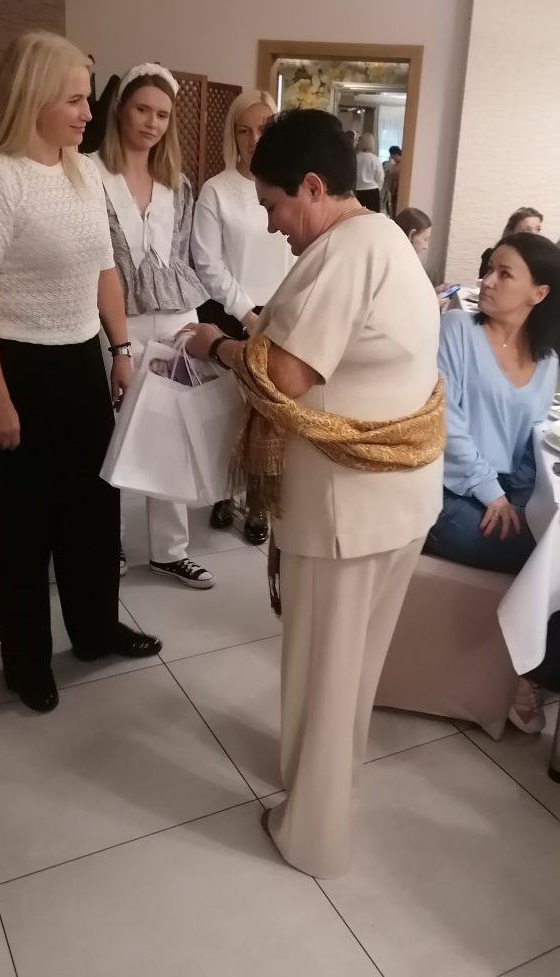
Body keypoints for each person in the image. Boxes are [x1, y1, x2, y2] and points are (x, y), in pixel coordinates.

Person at [185, 109, 444, 878]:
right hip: (396, 498)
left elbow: (284, 375)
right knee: (351, 666)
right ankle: (324, 775)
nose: (271, 224)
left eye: (273, 205)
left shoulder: (345, 249)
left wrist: (216, 344)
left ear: (310, 186)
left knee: (326, 670)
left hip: (346, 508)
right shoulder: (386, 237)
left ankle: (313, 835)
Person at [0, 32, 162, 714]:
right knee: (23, 524)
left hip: (82, 360)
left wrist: (121, 350)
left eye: (88, 98)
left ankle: (94, 630)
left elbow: (104, 271)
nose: (90, 113)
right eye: (75, 99)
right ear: (34, 98)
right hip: (18, 367)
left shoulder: (83, 172)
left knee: (92, 510)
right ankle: (26, 661)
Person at [424, 232, 560, 732]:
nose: (487, 280)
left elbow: (531, 441)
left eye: (504, 273)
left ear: (538, 293)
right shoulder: (457, 328)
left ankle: (535, 669)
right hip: (444, 492)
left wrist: (520, 498)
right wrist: (493, 493)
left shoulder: (547, 359)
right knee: (546, 557)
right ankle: (533, 674)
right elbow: (446, 422)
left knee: (551, 546)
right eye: (489, 269)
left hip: (502, 493)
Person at [92, 64, 214, 590]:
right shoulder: (87, 174)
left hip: (176, 317)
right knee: (112, 433)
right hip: (115, 320)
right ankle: (108, 543)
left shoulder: (178, 185)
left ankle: (170, 550)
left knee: (172, 433)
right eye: (143, 109)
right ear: (120, 109)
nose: (152, 123)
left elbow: (179, 256)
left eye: (162, 115)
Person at [192, 89, 292, 544]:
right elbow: (207, 262)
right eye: (244, 130)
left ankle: (259, 504)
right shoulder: (217, 190)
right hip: (232, 313)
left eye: (264, 129)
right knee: (229, 413)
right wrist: (247, 313)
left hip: (282, 313)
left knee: (269, 417)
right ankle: (223, 493)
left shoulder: (291, 186)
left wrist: (279, 312)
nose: (254, 139)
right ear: (232, 135)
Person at [396, 207, 452, 311]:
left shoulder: (405, 261)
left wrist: (435, 291)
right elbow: (408, 308)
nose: (426, 246)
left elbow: (415, 296)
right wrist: (435, 303)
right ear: (412, 235)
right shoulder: (399, 266)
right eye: (425, 239)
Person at [479, 207, 543, 280]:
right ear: (511, 231)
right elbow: (483, 283)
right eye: (527, 230)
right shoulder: (492, 254)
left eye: (538, 229)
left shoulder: (543, 259)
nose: (534, 235)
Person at [354, 131, 384, 212]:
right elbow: (380, 177)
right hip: (372, 191)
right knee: (372, 217)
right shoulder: (375, 159)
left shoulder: (355, 158)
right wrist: (377, 186)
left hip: (357, 191)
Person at [381, 145, 402, 217]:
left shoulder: (401, 165)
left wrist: (387, 173)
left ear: (396, 154)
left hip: (397, 191)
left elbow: (395, 174)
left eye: (392, 155)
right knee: (391, 210)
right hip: (393, 191)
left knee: (395, 210)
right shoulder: (395, 165)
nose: (391, 157)